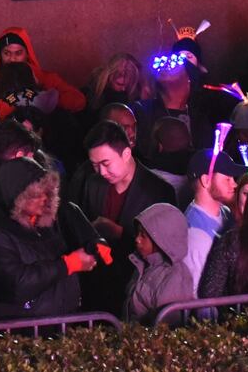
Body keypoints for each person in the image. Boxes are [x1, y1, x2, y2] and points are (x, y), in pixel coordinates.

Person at [0, 156, 102, 320]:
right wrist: (70, 264)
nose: (44, 199)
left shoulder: (43, 224)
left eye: (46, 193)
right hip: (19, 333)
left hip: (59, 325)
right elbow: (17, 284)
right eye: (35, 195)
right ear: (15, 196)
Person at [69, 121, 175, 312]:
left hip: (135, 290)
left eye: (105, 163)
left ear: (126, 153)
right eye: (94, 165)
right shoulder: (90, 181)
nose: (101, 172)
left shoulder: (158, 191)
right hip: (93, 286)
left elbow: (167, 249)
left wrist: (120, 233)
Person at [182, 147, 243, 286]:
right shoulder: (195, 234)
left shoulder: (226, 212)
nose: (234, 184)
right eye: (227, 179)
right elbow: (196, 292)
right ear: (206, 180)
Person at [123, 202, 191, 323]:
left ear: (161, 240)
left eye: (143, 236)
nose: (137, 239)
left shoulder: (175, 277)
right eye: (138, 233)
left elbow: (167, 328)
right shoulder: (142, 264)